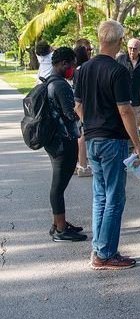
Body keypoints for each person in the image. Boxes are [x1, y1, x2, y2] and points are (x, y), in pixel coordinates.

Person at [74, 20, 140, 270]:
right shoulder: (118, 71)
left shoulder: (83, 69)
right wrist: (137, 144)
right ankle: (105, 253)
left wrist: (91, 124)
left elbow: (78, 105)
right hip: (112, 139)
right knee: (114, 197)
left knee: (100, 196)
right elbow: (125, 110)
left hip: (92, 138)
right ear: (120, 41)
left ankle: (99, 247)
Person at [44, 47, 86, 242]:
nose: (73, 69)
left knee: (59, 184)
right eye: (72, 65)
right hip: (63, 141)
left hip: (55, 140)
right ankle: (60, 229)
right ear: (63, 64)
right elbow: (71, 113)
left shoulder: (50, 81)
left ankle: (58, 223)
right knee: (58, 185)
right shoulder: (60, 85)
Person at [73, 39, 93, 178]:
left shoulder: (76, 70)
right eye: (88, 50)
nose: (90, 52)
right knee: (83, 134)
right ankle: (83, 165)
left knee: (80, 133)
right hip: (83, 104)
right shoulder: (82, 70)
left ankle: (79, 163)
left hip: (79, 103)